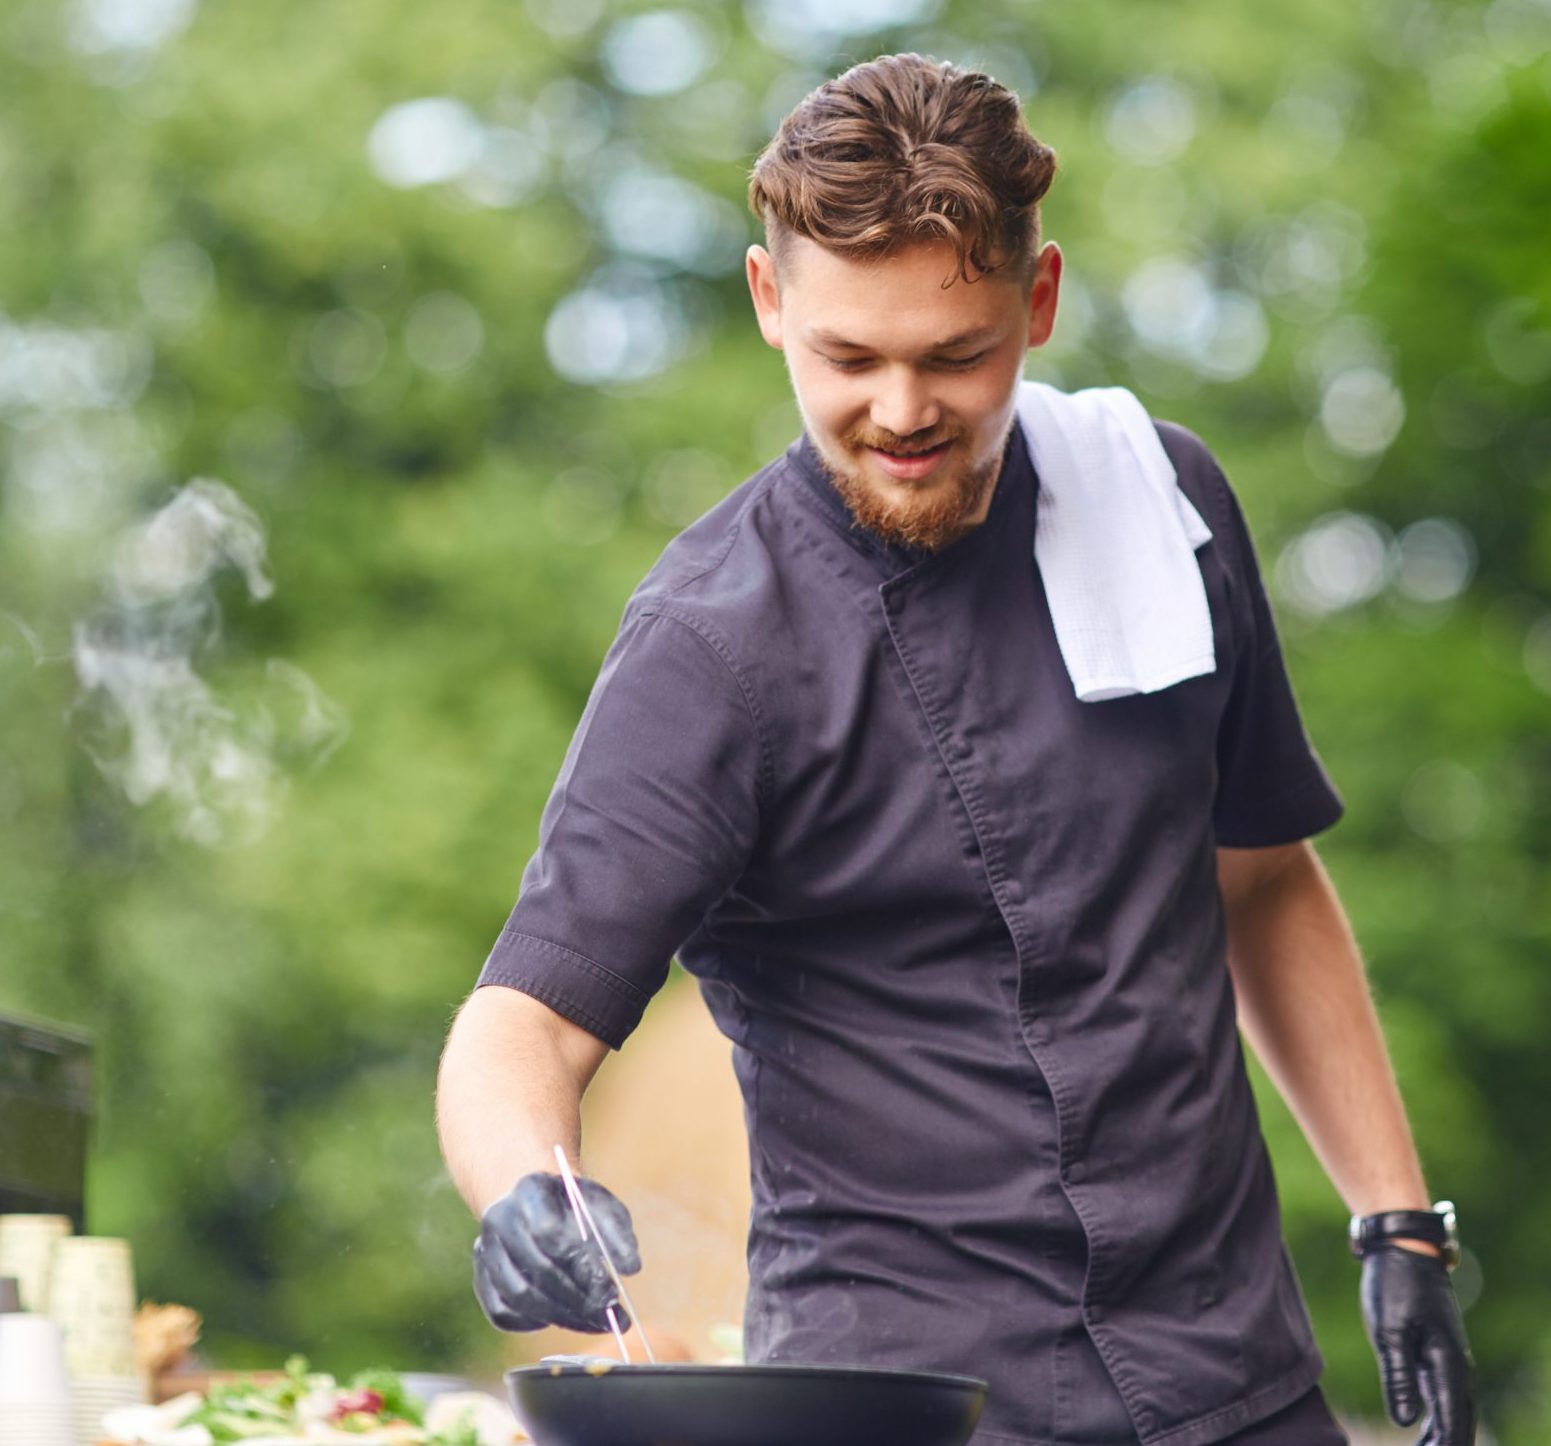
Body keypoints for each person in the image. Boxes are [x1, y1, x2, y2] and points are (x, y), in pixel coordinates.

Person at [435, 52, 1476, 1446]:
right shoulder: (711, 648)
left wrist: (1396, 1220)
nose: (904, 411)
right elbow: (524, 1026)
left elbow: (1264, 879)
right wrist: (520, 1188)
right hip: (913, 1407)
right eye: (848, 358)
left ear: (1036, 304)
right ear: (769, 302)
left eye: (956, 354)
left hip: (1236, 1378)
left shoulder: (1165, 506)